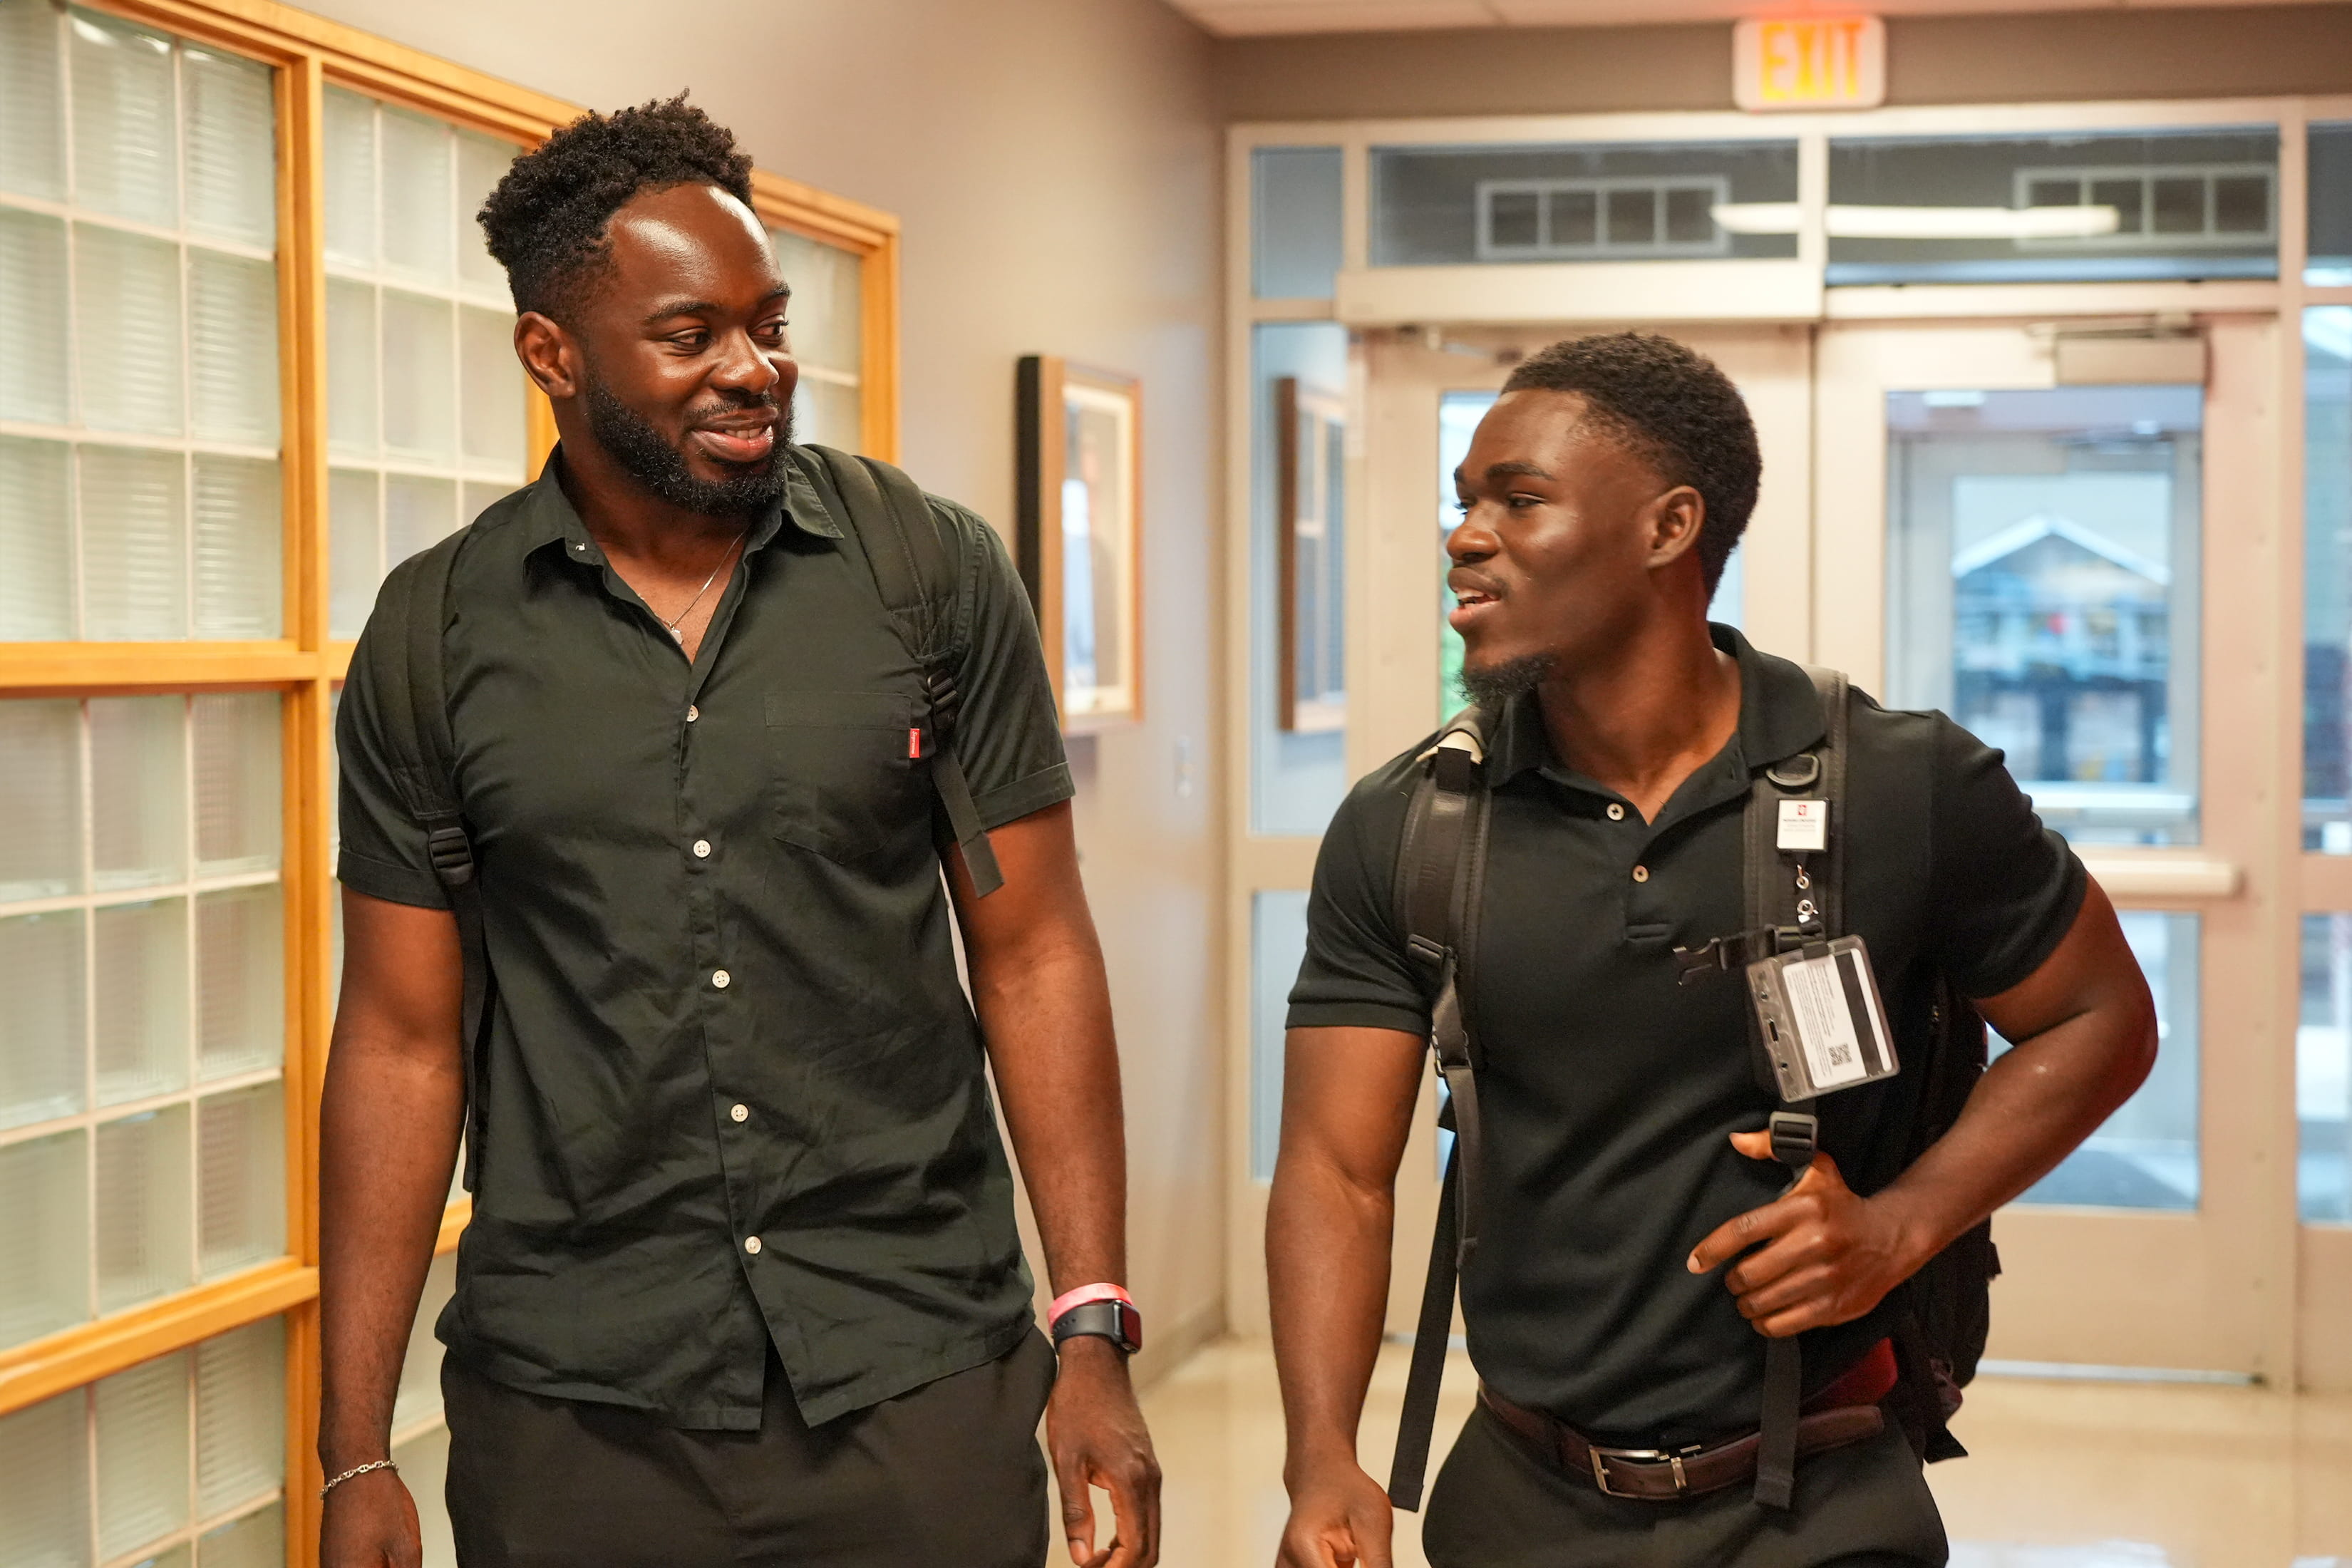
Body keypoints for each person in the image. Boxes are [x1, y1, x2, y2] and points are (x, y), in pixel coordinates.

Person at [317, 98, 1158, 1568]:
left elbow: (1030, 953)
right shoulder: (434, 636)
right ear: (553, 354)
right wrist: (352, 1448)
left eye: (770, 322)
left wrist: (1091, 1327)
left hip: (917, 1372)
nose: (756, 369)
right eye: (693, 332)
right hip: (579, 1400)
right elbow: (397, 1040)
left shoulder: (925, 572)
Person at [1267, 332, 2159, 1568]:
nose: (1465, 536)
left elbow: (2099, 1016)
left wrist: (1902, 1228)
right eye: (1464, 502)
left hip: (1826, 1498)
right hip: (1520, 1499)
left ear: (1668, 527)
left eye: (1517, 500)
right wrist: (1321, 1456)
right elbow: (1334, 1172)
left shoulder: (1900, 786)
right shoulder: (1413, 825)